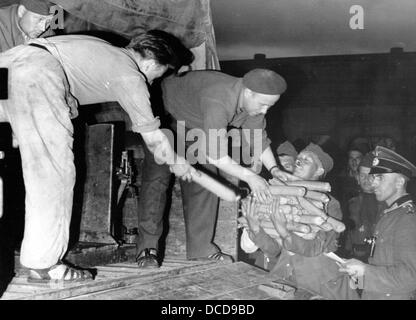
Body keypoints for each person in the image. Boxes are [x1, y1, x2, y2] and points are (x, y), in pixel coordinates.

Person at [0, 30, 194, 283]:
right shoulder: (130, 73)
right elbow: (154, 138)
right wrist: (178, 162)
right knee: (53, 173)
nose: (154, 82)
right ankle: (43, 265)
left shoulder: (102, 48)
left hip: (8, 61)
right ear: (150, 63)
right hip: (37, 74)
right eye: (159, 75)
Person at [135, 68, 287, 269]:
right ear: (248, 92)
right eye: (263, 105)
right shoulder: (219, 99)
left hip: (195, 124)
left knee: (206, 181)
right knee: (157, 179)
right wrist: (250, 176)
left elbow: (257, 137)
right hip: (165, 116)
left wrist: (275, 169)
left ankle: (201, 250)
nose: (265, 111)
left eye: (270, 106)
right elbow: (216, 156)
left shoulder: (253, 103)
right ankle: (147, 248)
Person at [241, 143, 359, 299]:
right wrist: (255, 228)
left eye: (307, 160)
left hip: (319, 283)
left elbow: (315, 248)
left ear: (319, 171)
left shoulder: (329, 204)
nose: (298, 161)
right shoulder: (279, 197)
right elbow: (273, 250)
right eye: (299, 158)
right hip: (286, 277)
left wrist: (283, 230)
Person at [339, 146, 416, 299]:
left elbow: (411, 277)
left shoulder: (407, 218)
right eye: (373, 177)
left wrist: (364, 271)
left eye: (380, 177)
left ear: (400, 182)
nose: (373, 183)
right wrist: (357, 280)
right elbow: (378, 262)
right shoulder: (390, 215)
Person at [344, 152, 385, 261]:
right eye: (362, 175)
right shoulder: (350, 202)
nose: (366, 180)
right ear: (357, 178)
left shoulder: (388, 204)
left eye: (371, 176)